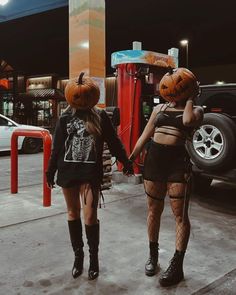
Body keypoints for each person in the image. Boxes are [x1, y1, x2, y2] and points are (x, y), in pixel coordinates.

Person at [46, 72, 133, 280]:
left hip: (90, 174)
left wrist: (126, 161)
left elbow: (113, 142)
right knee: (72, 213)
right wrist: (50, 171)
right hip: (68, 171)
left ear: (93, 97)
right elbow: (56, 148)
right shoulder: (65, 118)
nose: (82, 101)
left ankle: (94, 260)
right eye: (78, 97)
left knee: (91, 216)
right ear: (71, 96)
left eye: (86, 97)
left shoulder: (101, 117)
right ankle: (78, 258)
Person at [129, 68, 204, 287]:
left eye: (181, 85)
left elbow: (188, 120)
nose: (171, 87)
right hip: (154, 161)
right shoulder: (159, 108)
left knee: (179, 215)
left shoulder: (197, 110)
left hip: (177, 164)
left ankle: (177, 264)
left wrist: (191, 97)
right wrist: (130, 157)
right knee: (153, 210)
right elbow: (146, 134)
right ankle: (153, 256)